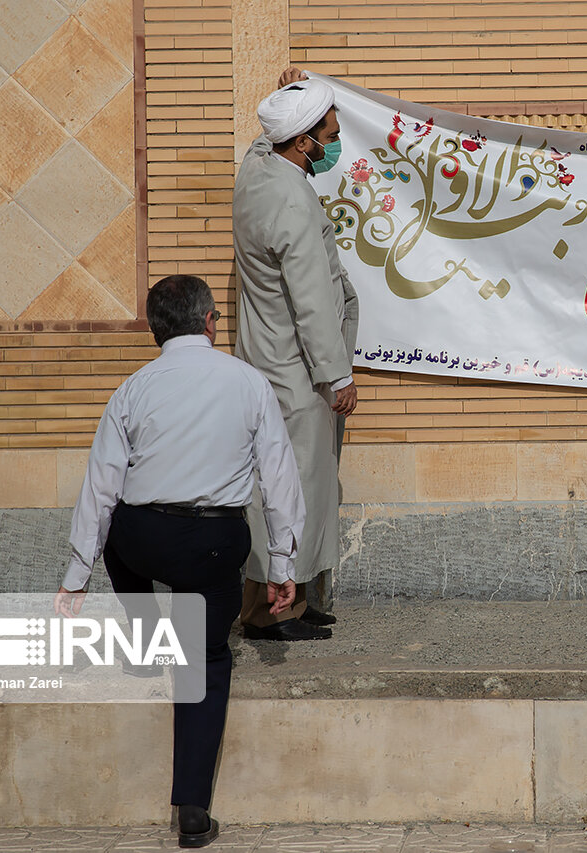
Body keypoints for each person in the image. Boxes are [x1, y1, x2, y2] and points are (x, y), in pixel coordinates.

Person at [54, 274, 305, 848]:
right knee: (207, 660)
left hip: (143, 536)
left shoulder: (133, 389)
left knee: (117, 529)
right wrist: (283, 567)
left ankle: (145, 643)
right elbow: (280, 481)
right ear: (211, 321)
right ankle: (192, 810)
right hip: (213, 544)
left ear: (154, 330)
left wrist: (76, 578)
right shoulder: (249, 382)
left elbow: (100, 490)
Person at [232, 67, 359, 641]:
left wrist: (294, 88)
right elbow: (310, 303)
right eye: (329, 134)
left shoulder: (258, 169)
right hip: (297, 372)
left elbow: (267, 134)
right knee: (293, 491)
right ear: (304, 142)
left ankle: (296, 600)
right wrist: (337, 378)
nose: (334, 141)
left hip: (267, 361)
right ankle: (268, 612)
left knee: (282, 487)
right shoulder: (291, 202)